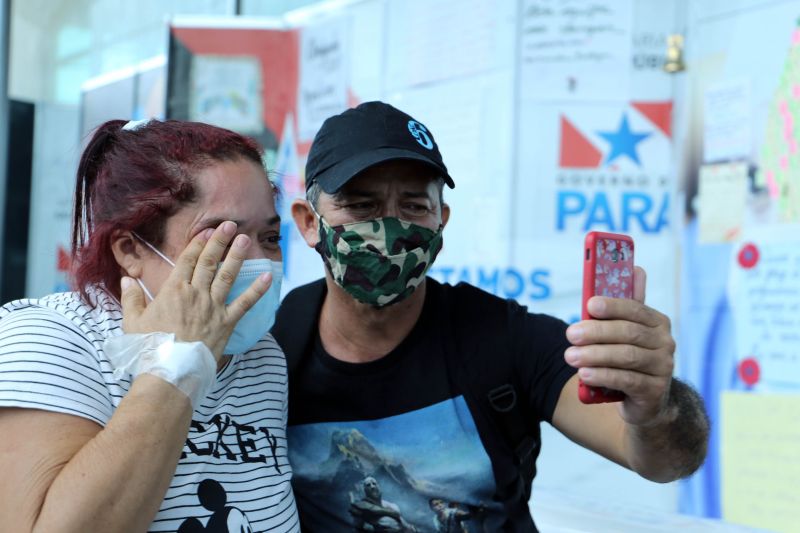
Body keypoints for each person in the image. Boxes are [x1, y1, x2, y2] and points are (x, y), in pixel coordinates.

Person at [272, 101, 710, 532]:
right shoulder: (270, 352)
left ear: (441, 222)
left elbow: (664, 460)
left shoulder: (501, 337)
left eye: (413, 207)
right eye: (361, 206)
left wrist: (655, 407)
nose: (390, 228)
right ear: (309, 222)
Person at [0, 119, 299, 532]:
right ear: (131, 250)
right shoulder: (50, 337)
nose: (255, 266)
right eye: (222, 239)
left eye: (268, 238)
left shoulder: (261, 356)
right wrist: (177, 362)